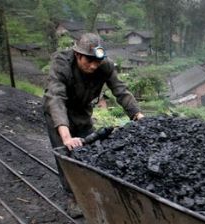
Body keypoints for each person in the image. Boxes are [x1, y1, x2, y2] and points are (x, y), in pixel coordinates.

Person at [43, 33, 143, 193]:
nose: (93, 66)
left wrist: (138, 116)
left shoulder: (106, 66)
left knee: (92, 149)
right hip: (58, 112)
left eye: (97, 61)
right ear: (77, 54)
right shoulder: (62, 63)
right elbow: (56, 98)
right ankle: (72, 195)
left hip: (82, 112)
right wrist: (67, 137)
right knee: (66, 155)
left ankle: (91, 189)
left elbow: (121, 91)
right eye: (89, 61)